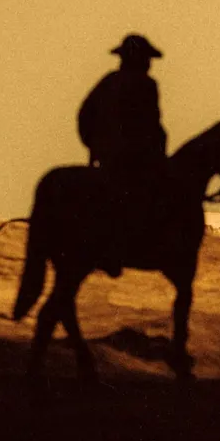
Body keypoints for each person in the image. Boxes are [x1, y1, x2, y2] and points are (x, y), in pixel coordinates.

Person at [78, 34, 169, 276]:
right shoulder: (146, 86)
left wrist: (94, 147)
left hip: (111, 155)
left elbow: (84, 116)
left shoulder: (110, 82)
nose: (148, 63)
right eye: (146, 58)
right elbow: (153, 126)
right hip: (131, 160)